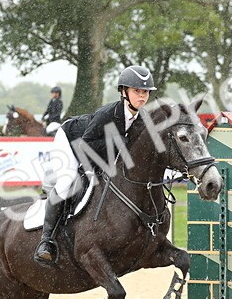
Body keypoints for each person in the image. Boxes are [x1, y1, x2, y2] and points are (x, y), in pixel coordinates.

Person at [34, 66, 156, 266]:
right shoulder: (108, 114)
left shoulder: (142, 119)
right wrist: (119, 142)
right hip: (71, 140)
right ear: (123, 92)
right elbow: (85, 145)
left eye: (145, 92)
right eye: (137, 91)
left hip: (98, 153)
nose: (142, 96)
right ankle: (46, 241)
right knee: (66, 183)